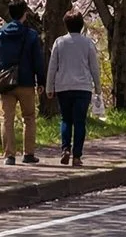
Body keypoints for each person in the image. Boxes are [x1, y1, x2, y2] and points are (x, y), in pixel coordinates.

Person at [0, 1, 45, 166]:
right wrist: (40, 80)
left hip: (6, 84)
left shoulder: (0, 33)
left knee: (7, 119)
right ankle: (28, 153)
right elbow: (38, 60)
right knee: (29, 118)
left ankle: (9, 155)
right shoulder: (32, 35)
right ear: (24, 14)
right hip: (26, 82)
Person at [48, 10, 102, 167]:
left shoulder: (59, 42)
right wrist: (97, 87)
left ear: (65, 25)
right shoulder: (88, 43)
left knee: (66, 119)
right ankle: (77, 156)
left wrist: (50, 87)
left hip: (63, 86)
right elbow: (94, 67)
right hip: (83, 87)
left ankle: (65, 149)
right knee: (80, 122)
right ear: (81, 25)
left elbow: (52, 66)